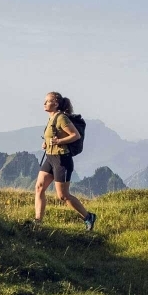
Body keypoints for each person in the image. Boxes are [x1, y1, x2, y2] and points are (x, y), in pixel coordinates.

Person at [34, 92, 95, 230]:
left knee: (63, 196)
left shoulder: (61, 118)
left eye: (47, 101)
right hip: (50, 157)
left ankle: (88, 217)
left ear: (55, 103)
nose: (44, 103)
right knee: (39, 188)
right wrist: (47, 144)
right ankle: (37, 222)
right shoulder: (52, 118)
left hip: (62, 159)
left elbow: (75, 135)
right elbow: (53, 135)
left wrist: (59, 141)